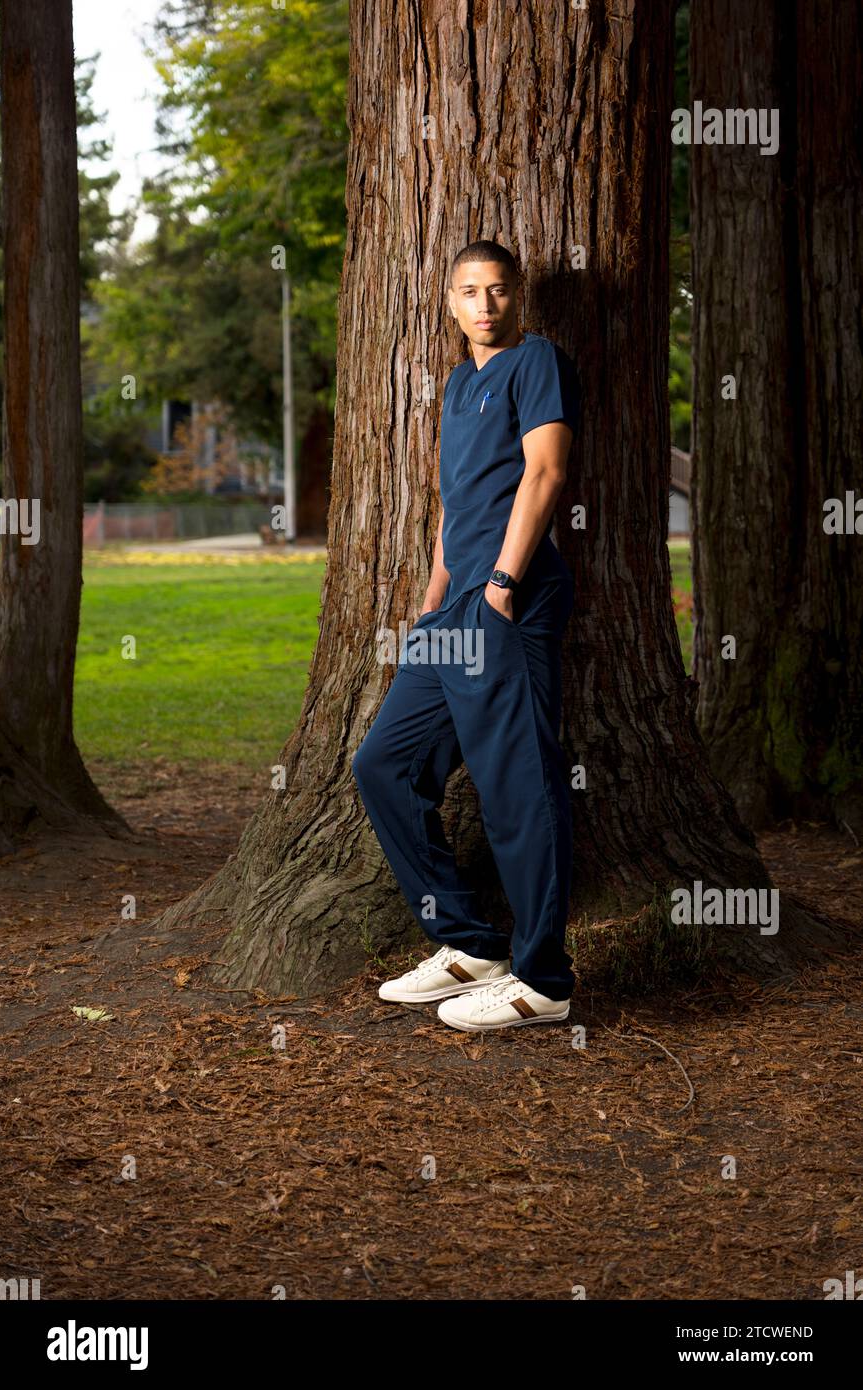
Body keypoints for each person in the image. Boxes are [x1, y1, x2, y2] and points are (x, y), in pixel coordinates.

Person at [352, 239, 578, 1032]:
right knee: (384, 765)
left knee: (519, 786)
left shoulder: (536, 362)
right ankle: (471, 946)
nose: (486, 304)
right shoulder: (456, 383)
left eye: (500, 290)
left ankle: (543, 981)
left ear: (518, 298)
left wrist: (502, 585)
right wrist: (433, 597)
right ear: (450, 303)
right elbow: (455, 501)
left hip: (510, 602)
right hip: (453, 612)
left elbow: (545, 472)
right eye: (471, 292)